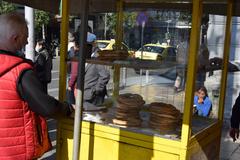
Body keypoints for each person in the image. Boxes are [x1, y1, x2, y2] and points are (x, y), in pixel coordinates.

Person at [0, 13, 73, 159]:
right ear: (15, 38)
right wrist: (67, 108)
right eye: (25, 37)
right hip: (17, 154)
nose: (27, 42)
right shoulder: (21, 71)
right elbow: (48, 108)